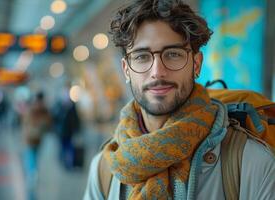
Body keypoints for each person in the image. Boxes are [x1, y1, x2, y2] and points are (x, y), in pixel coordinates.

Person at [83, 0, 275, 199]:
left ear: (197, 64)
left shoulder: (249, 163)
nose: (157, 72)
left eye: (173, 54)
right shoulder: (104, 170)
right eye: (142, 57)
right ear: (126, 70)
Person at [22, 91, 51, 192]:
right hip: (39, 137)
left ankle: (32, 173)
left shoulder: (31, 108)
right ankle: (34, 172)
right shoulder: (45, 109)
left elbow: (26, 121)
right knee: (35, 155)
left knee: (30, 155)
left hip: (30, 136)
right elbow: (48, 123)